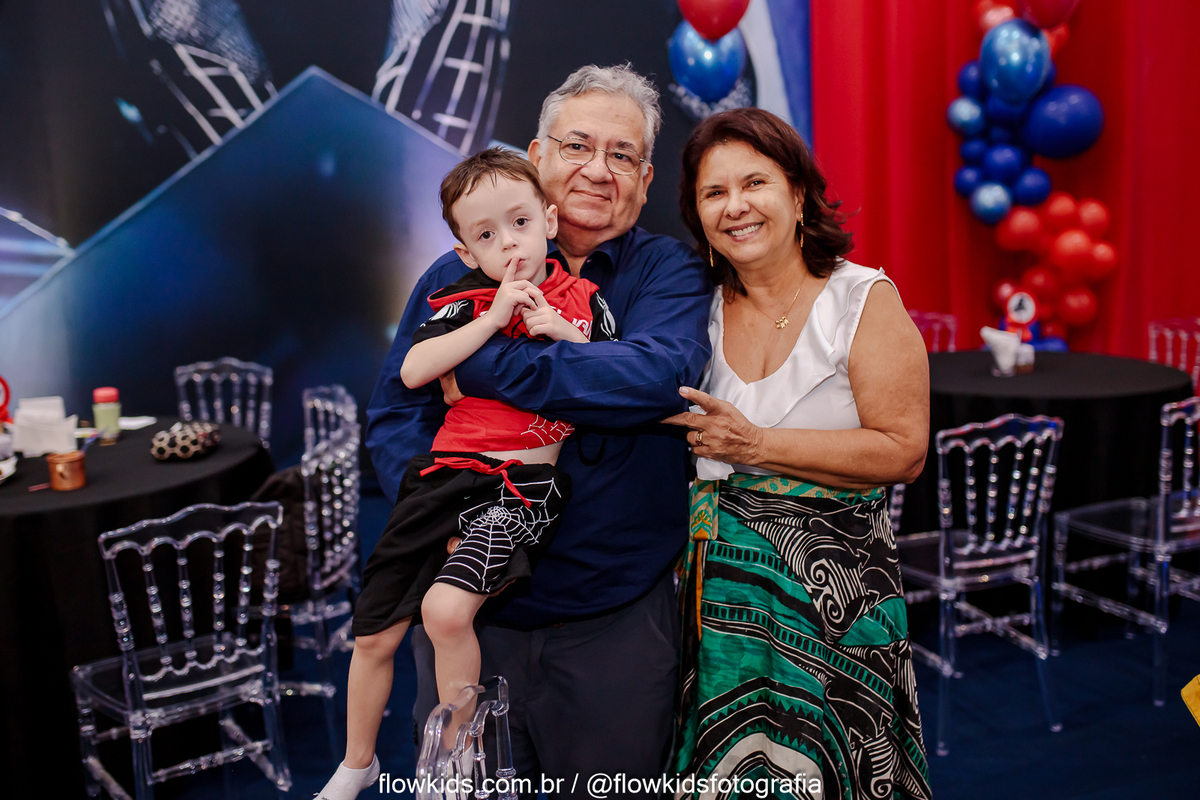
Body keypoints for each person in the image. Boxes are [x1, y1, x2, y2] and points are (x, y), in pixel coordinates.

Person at [365, 64, 711, 793]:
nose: (598, 169)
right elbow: (397, 411)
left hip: (610, 617)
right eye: (577, 145)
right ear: (537, 155)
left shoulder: (666, 271)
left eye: (622, 155)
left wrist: (484, 366)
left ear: (646, 180)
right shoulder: (454, 275)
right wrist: (444, 515)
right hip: (467, 609)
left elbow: (656, 380)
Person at [318, 148, 619, 800]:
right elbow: (412, 372)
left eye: (519, 223)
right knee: (373, 634)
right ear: (464, 252)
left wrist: (560, 333)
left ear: (549, 219)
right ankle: (356, 763)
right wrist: (491, 318)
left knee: (446, 612)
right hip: (442, 481)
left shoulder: (584, 301)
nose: (508, 243)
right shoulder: (461, 300)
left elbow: (617, 375)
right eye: (486, 235)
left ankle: (459, 764)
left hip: (520, 488)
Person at [665, 108, 933, 799]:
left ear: (799, 193)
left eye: (754, 183)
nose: (735, 206)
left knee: (835, 768)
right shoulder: (694, 312)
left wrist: (754, 444)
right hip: (718, 602)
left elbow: (904, 451)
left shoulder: (860, 299)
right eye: (714, 192)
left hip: (838, 603)